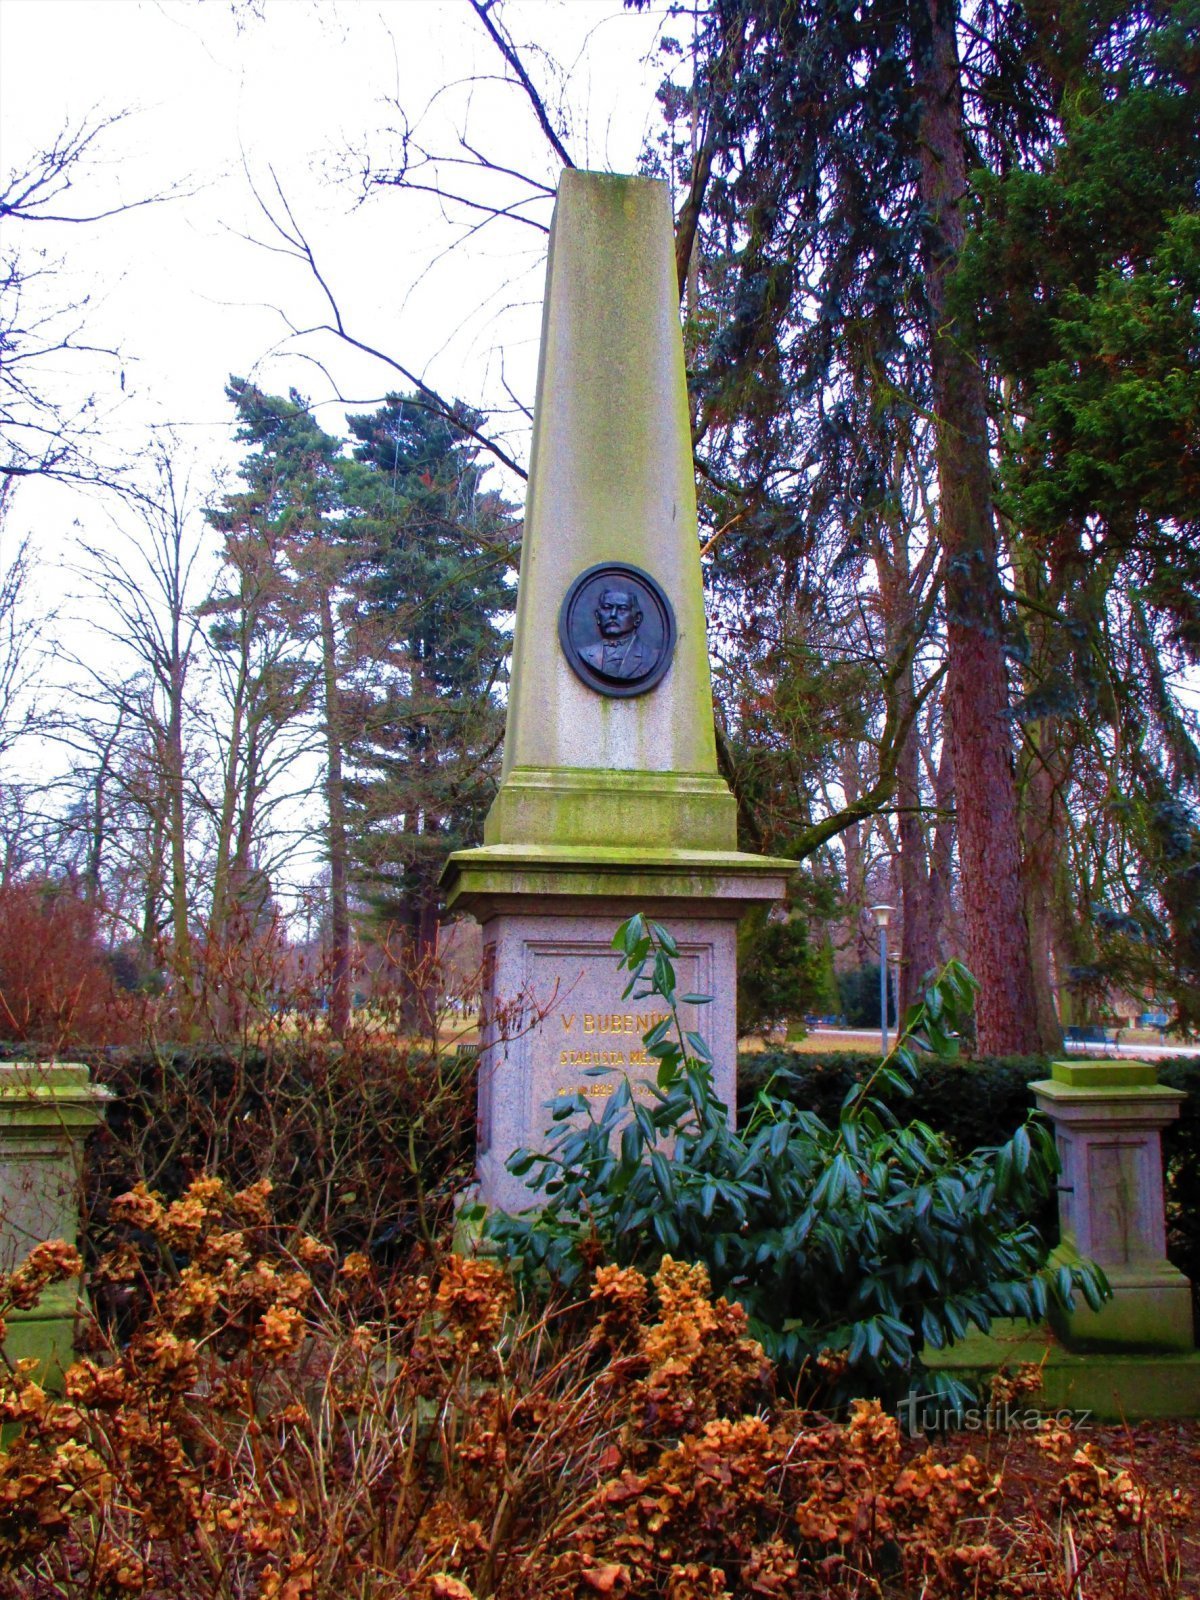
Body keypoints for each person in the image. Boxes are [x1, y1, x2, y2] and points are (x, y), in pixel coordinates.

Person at [580, 586, 656, 679]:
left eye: (622, 609)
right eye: (607, 608)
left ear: (637, 618)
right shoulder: (585, 654)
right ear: (597, 617)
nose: (613, 615)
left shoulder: (650, 656)